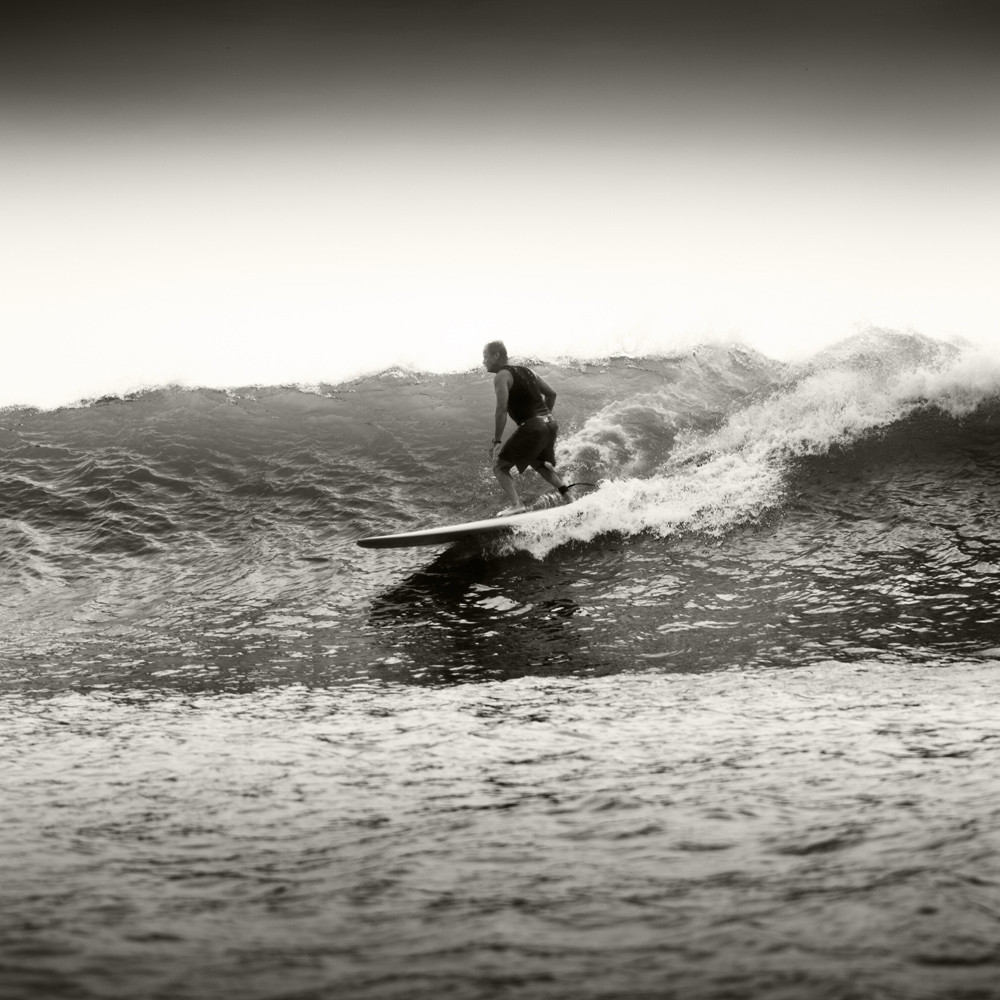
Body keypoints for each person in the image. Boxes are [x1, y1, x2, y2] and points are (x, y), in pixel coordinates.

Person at [482, 340, 573, 515]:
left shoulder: (502, 375)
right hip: (550, 424)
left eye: (485, 357)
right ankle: (569, 498)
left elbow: (501, 409)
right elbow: (551, 394)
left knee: (499, 467)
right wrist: (544, 418)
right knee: (538, 463)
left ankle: (517, 505)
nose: (483, 361)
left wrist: (497, 441)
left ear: (496, 355)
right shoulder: (528, 371)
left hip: (534, 426)